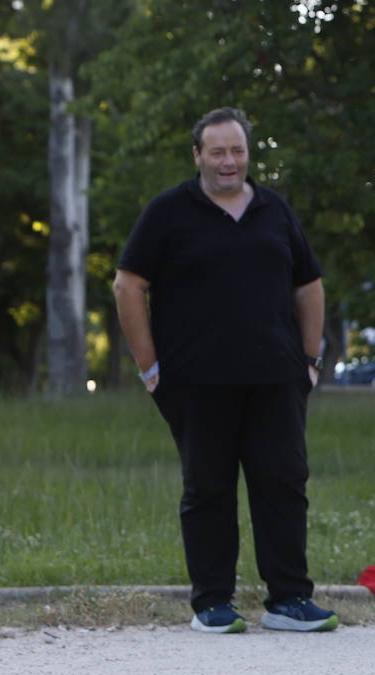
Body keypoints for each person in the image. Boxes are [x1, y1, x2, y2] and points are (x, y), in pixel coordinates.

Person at [112, 106, 338, 634]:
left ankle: (288, 600)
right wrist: (149, 369)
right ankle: (212, 603)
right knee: (208, 489)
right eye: (217, 151)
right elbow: (128, 285)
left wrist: (309, 361)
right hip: (195, 382)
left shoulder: (275, 211)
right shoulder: (168, 212)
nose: (228, 161)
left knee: (283, 483)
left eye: (237, 150)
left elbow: (309, 285)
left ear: (247, 153)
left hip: (276, 379)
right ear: (198, 156)